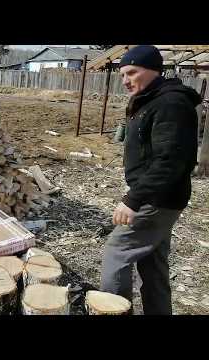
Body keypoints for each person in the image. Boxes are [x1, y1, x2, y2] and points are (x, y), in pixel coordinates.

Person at [100, 45, 201, 315]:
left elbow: (171, 161)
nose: (125, 80)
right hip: (159, 195)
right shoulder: (153, 100)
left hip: (157, 199)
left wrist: (133, 199)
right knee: (152, 262)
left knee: (115, 253)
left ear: (154, 70)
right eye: (122, 75)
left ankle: (113, 311)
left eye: (132, 72)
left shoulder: (170, 104)